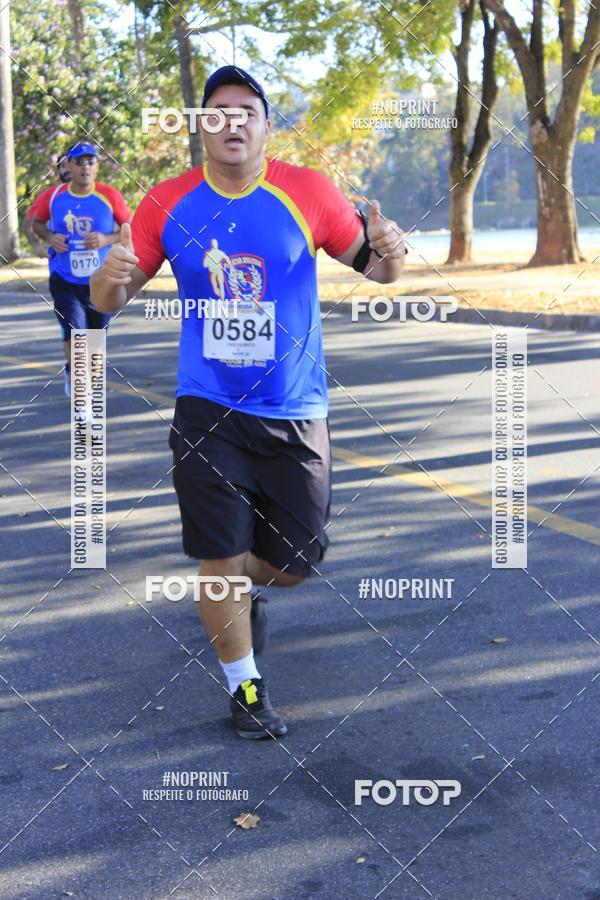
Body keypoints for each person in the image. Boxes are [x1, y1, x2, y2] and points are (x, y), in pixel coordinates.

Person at [90, 66, 406, 739]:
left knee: (294, 565)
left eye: (247, 111)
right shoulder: (166, 202)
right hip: (207, 407)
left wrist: (391, 253)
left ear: (266, 127)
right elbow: (109, 302)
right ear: (200, 125)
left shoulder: (308, 191)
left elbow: (375, 268)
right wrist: (108, 280)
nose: (232, 121)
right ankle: (247, 687)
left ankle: (244, 596)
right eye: (218, 111)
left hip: (295, 407)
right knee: (219, 557)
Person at [31, 142, 131, 396]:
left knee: (96, 339)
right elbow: (36, 223)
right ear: (69, 167)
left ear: (97, 167)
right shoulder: (54, 196)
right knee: (76, 333)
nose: (85, 167)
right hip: (65, 280)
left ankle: (92, 384)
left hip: (101, 282)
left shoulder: (110, 196)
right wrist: (50, 236)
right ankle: (78, 383)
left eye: (91, 161)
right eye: (80, 162)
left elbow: (130, 229)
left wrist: (106, 239)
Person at [24, 153, 71, 258]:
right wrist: (37, 245)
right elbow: (28, 223)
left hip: (98, 268)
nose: (68, 169)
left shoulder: (99, 193)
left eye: (70, 165)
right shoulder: (51, 194)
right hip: (59, 266)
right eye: (63, 166)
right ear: (59, 171)